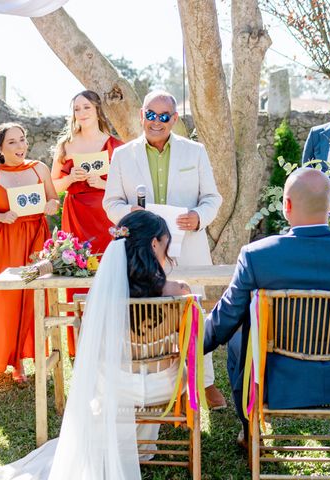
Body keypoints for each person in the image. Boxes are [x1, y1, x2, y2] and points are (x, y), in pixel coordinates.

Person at [0, 210, 192, 480]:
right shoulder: (179, 291)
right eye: (166, 244)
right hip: (164, 389)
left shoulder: (104, 294)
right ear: (154, 244)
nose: (167, 252)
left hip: (118, 389)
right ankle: (141, 444)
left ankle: (131, 441)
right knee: (180, 365)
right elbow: (191, 341)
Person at [203, 168, 330, 444]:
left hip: (277, 379)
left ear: (287, 205)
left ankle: (250, 430)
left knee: (235, 336)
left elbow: (226, 318)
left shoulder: (257, 256)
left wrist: (192, 344)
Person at [103, 89, 227, 410]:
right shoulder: (122, 155)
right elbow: (110, 203)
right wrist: (129, 214)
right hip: (143, 252)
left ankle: (205, 381)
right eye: (150, 115)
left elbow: (212, 198)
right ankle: (156, 380)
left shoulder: (195, 152)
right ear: (141, 115)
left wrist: (199, 216)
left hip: (189, 246)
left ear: (173, 119)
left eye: (163, 117)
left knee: (195, 311)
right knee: (148, 313)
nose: (155, 122)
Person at [0, 123, 60, 382]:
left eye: (22, 140)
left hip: (38, 240)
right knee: (9, 300)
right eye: (12, 142)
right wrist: (0, 216)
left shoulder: (39, 168)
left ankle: (36, 353)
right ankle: (14, 360)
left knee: (37, 297)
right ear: (0, 147)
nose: (20, 146)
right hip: (8, 242)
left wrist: (52, 206)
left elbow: (54, 199)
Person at [50, 90, 123, 357]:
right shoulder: (65, 146)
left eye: (86, 108)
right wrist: (70, 180)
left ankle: (113, 338)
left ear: (97, 110)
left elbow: (128, 185)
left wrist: (103, 184)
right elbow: (52, 187)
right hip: (76, 215)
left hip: (106, 216)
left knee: (109, 270)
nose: (81, 113)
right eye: (77, 108)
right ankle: (79, 343)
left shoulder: (116, 145)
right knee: (77, 271)